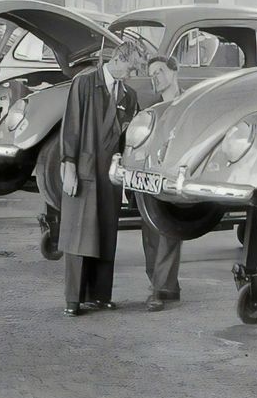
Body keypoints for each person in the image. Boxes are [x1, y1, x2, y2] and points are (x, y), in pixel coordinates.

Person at [58, 39, 148, 316]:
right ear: (118, 60)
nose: (132, 76)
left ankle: (100, 295)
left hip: (109, 172)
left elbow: (127, 137)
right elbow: (71, 125)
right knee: (78, 234)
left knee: (106, 232)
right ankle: (73, 299)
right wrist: (69, 165)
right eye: (131, 69)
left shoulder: (128, 96)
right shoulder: (84, 84)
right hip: (84, 168)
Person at [141, 55, 183, 312]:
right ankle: (168, 286)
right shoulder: (150, 109)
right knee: (150, 234)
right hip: (150, 176)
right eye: (150, 74)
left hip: (177, 175)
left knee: (169, 230)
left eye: (158, 71)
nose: (154, 77)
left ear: (174, 71)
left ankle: (159, 288)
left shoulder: (192, 102)